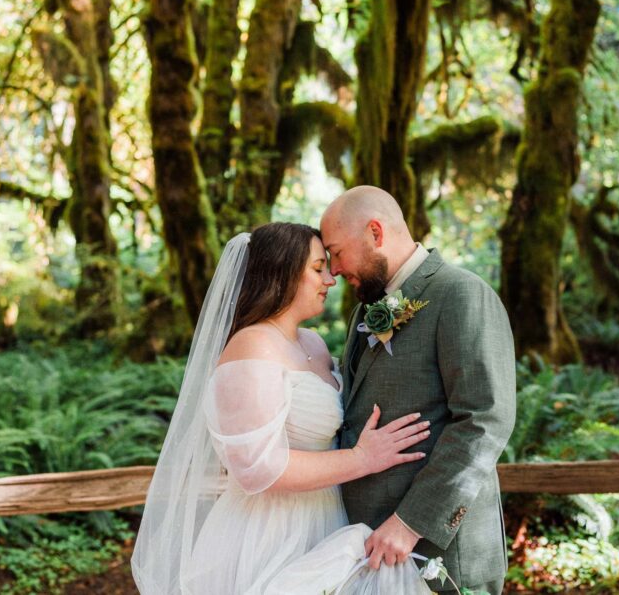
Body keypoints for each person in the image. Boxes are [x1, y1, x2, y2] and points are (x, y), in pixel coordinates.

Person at [131, 222, 434, 594]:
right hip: (269, 531)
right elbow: (257, 469)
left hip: (328, 515)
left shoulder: (315, 344)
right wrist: (362, 458)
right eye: (318, 267)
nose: (331, 279)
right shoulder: (251, 346)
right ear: (282, 272)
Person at [320, 186, 517, 595]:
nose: (334, 270)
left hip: (440, 554)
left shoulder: (461, 294)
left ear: (375, 232)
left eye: (336, 252)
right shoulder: (364, 310)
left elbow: (484, 420)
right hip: (368, 548)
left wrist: (411, 522)